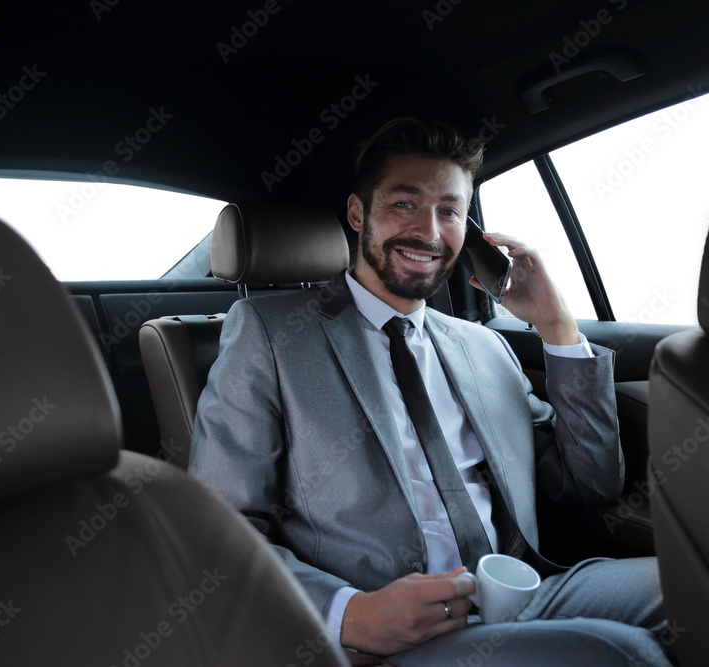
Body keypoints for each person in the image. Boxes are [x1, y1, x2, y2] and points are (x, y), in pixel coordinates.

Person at [189, 118, 673, 666]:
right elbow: (218, 531)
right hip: (390, 625)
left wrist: (557, 329)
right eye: (404, 204)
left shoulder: (484, 348)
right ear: (357, 213)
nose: (429, 232)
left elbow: (591, 484)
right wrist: (349, 613)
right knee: (621, 654)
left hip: (524, 590)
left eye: (449, 210)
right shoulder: (270, 334)